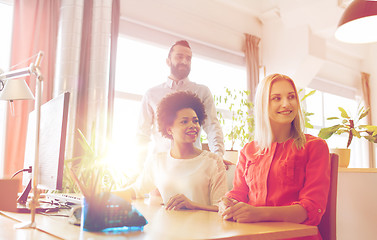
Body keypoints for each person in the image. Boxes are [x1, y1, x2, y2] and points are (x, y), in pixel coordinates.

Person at [218, 74, 330, 240]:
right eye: (276, 98)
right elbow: (238, 193)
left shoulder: (315, 147)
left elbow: (311, 209)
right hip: (252, 235)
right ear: (263, 105)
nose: (286, 104)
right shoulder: (248, 150)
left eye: (291, 97)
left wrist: (257, 214)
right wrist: (226, 203)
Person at [116, 91, 227, 211]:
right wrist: (101, 195)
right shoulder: (157, 161)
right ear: (169, 130)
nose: (193, 125)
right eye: (184, 121)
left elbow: (221, 208)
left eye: (195, 121)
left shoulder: (213, 162)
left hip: (203, 228)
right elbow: (135, 191)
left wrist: (193, 205)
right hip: (167, 227)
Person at [136, 40, 225, 170]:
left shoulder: (202, 92)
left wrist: (218, 157)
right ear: (168, 61)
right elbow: (142, 134)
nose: (184, 61)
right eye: (179, 56)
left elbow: (212, 127)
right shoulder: (151, 94)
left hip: (193, 167)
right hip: (160, 169)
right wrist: (139, 169)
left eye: (188, 58)